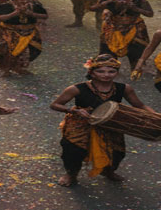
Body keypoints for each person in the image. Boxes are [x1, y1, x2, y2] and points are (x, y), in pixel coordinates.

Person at [49, 54, 154, 187]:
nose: (106, 75)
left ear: (117, 73)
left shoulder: (124, 88)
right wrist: (74, 111)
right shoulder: (76, 88)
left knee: (117, 153)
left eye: (111, 71)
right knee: (73, 151)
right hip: (81, 124)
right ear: (91, 73)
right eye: (101, 71)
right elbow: (55, 105)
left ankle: (108, 171)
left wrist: (159, 116)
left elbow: (140, 105)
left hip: (110, 124)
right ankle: (71, 174)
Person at [91, 0, 154, 69]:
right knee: (108, 49)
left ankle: (136, 68)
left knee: (135, 49)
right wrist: (105, 3)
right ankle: (110, 69)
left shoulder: (139, 1)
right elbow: (92, 8)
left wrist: (135, 9)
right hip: (112, 26)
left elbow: (150, 13)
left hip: (134, 28)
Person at [0, 0, 47, 76]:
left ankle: (19, 68)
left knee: (30, 50)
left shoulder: (34, 6)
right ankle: (3, 68)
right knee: (3, 50)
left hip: (30, 33)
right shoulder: (5, 6)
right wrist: (14, 14)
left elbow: (44, 16)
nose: (24, 1)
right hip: (9, 32)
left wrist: (31, 14)